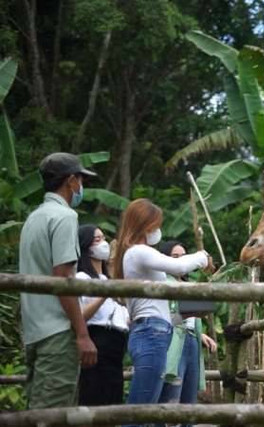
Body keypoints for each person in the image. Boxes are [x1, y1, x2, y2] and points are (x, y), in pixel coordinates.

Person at [111, 199, 210, 415]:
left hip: (154, 331)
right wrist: (202, 257)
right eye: (155, 225)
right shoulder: (138, 251)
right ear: (145, 225)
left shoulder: (134, 255)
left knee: (150, 409)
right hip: (151, 334)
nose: (157, 230)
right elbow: (179, 265)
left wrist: (184, 316)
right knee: (141, 409)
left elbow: (153, 309)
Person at [19, 152, 98, 409]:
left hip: (34, 330)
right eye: (81, 181)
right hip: (57, 331)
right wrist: (82, 334)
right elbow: (63, 278)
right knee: (53, 415)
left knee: (38, 412)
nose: (81, 187)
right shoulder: (64, 217)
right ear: (71, 181)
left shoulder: (35, 217)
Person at [158, 241, 217, 410]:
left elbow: (193, 315)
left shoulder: (188, 284)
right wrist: (191, 312)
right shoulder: (163, 281)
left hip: (192, 339)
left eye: (184, 256)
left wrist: (201, 334)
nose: (180, 260)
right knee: (172, 396)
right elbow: (166, 316)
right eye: (175, 257)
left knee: (189, 397)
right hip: (173, 341)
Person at [76, 224, 130, 406]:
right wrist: (105, 293)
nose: (104, 244)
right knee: (94, 394)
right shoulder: (82, 278)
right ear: (86, 247)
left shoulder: (109, 279)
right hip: (98, 339)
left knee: (113, 398)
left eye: (104, 238)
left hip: (118, 342)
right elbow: (81, 315)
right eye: (97, 240)